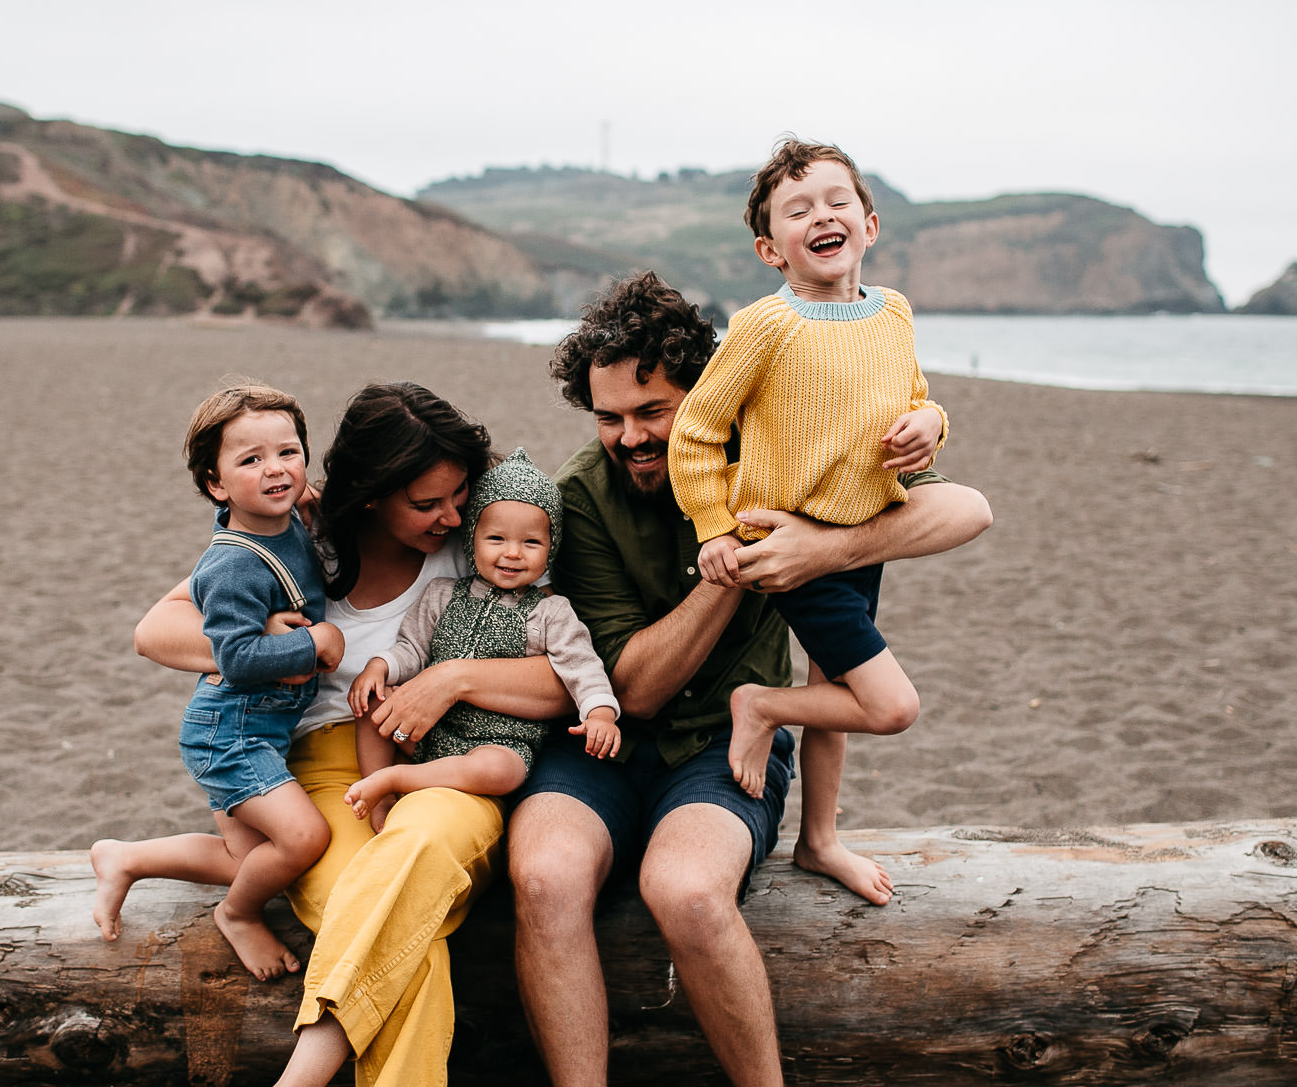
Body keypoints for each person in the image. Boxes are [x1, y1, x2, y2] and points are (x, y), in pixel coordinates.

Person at [510, 271, 992, 1086]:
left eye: (652, 413)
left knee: (688, 892)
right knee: (545, 877)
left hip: (725, 751)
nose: (629, 438)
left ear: (704, 398)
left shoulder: (784, 461)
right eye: (609, 419)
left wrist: (821, 546)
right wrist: (723, 570)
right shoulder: (579, 497)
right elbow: (636, 689)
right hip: (601, 739)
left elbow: (969, 510)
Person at [114, 382, 574, 1087]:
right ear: (368, 497)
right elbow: (155, 631)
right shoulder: (302, 541)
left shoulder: (484, 543)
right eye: (426, 505)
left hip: (449, 761)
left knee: (413, 853)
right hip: (327, 773)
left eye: (457, 496)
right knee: (391, 927)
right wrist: (276, 639)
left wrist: (450, 681)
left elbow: (562, 677)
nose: (451, 516)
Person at [668, 137, 947, 907]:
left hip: (860, 537)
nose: (821, 216)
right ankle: (760, 704)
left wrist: (931, 424)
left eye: (836, 202)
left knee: (841, 696)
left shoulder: (893, 312)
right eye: (798, 211)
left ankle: (820, 841)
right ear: (770, 248)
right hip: (793, 542)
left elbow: (916, 394)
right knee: (889, 705)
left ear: (869, 222)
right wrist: (715, 528)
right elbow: (695, 429)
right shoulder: (764, 325)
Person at [91, 383, 340, 981]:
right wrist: (312, 643)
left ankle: (126, 858)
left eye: (288, 452)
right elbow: (238, 659)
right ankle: (237, 916)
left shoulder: (285, 524)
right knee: (304, 840)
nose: (275, 469)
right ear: (215, 483)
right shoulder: (234, 563)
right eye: (250, 460)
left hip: (256, 725)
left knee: (245, 857)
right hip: (233, 731)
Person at [345, 448, 622, 827]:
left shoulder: (551, 612)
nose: (512, 553)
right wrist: (380, 666)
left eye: (531, 543)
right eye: (496, 538)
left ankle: (397, 779)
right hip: (429, 727)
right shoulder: (442, 593)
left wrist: (601, 714)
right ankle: (379, 804)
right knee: (373, 707)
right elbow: (411, 647)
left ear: (551, 549)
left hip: (498, 741)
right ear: (471, 539)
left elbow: (582, 667)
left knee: (501, 771)